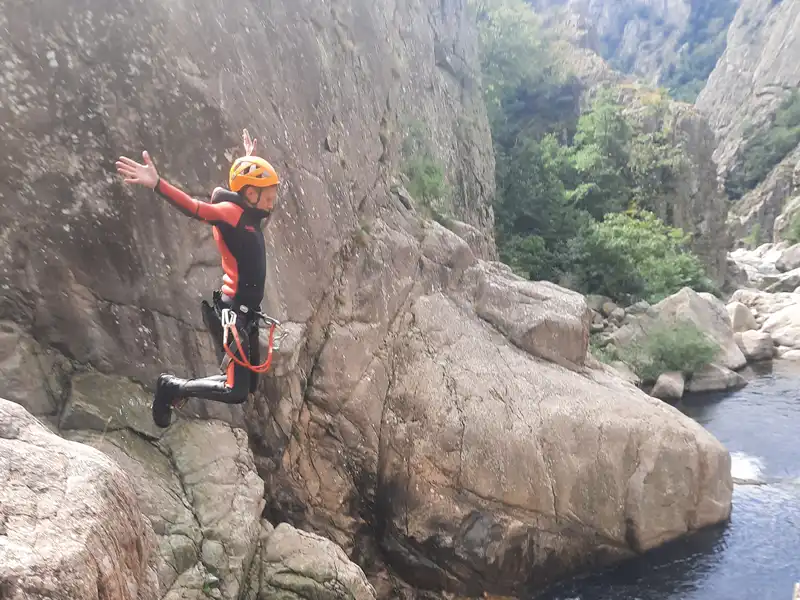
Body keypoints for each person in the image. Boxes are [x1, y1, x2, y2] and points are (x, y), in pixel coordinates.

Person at [115, 130, 279, 428]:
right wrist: (157, 184)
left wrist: (249, 160)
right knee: (235, 391)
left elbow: (246, 190)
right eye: (267, 197)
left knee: (248, 386)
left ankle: (179, 388)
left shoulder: (251, 211)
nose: (272, 203)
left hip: (248, 314)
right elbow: (194, 208)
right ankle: (172, 388)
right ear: (250, 195)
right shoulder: (230, 213)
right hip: (234, 313)